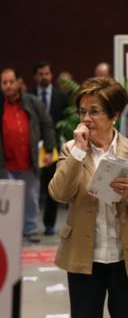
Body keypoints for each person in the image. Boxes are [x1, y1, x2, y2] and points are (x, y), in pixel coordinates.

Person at [48, 77, 128, 318]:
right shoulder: (71, 150)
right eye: (82, 111)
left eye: (94, 111)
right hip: (85, 259)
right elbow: (59, 193)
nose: (86, 118)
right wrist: (77, 153)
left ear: (114, 114)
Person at [1, 68, 56, 242]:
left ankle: (30, 229)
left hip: (29, 160)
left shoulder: (32, 102)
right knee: (7, 200)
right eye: (4, 83)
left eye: (11, 82)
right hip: (6, 163)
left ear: (18, 82)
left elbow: (47, 125)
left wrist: (49, 150)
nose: (8, 86)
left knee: (31, 198)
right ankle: (9, 232)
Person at [33, 61, 70, 235]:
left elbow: (66, 122)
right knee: (32, 187)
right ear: (35, 77)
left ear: (51, 75)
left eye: (46, 73)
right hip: (32, 147)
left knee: (51, 185)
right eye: (40, 74)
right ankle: (29, 223)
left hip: (52, 146)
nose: (44, 77)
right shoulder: (30, 96)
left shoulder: (61, 97)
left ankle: (49, 223)